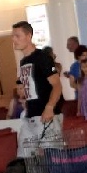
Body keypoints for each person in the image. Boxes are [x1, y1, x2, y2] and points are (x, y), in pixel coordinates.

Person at [11, 21, 62, 157]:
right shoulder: (23, 61)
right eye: (13, 36)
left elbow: (57, 85)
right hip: (31, 117)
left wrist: (49, 107)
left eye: (17, 36)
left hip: (46, 116)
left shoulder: (42, 58)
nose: (14, 40)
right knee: (24, 158)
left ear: (28, 36)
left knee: (52, 158)